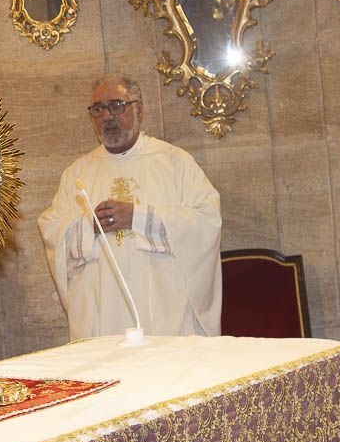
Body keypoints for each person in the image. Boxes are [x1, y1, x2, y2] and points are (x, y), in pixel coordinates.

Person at [38, 73, 222, 340]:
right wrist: (88, 226)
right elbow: (53, 230)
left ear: (139, 109)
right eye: (98, 109)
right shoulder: (76, 174)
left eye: (117, 105)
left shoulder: (175, 163)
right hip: (102, 317)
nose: (107, 117)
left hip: (165, 314)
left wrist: (139, 217)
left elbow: (207, 222)